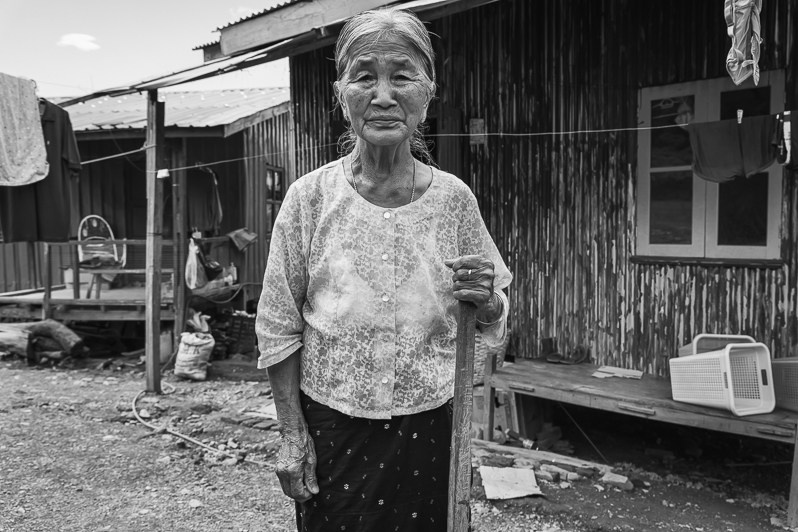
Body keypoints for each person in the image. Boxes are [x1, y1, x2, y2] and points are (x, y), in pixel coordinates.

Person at [255, 7, 513, 531]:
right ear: (341, 93)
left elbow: (492, 319)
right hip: (332, 425)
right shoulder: (310, 199)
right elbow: (278, 328)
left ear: (427, 91)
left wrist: (486, 299)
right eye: (364, 76)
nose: (383, 95)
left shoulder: (453, 201)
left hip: (431, 425)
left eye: (402, 75)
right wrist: (291, 435)